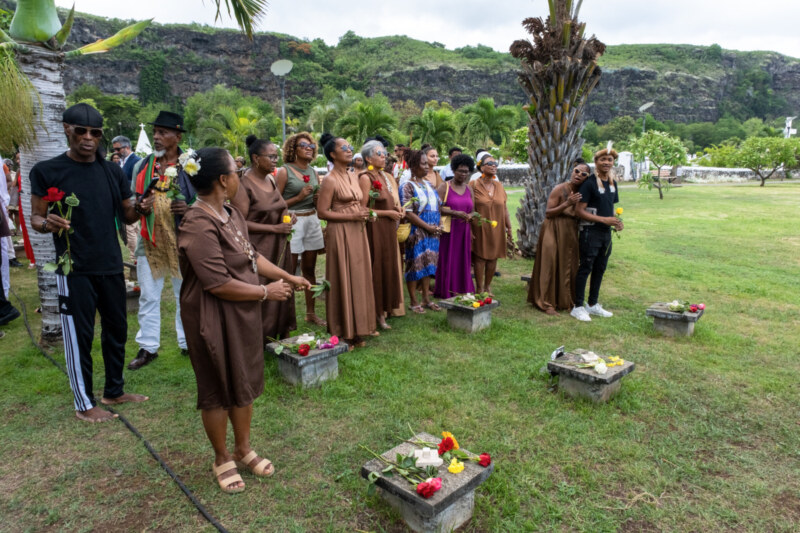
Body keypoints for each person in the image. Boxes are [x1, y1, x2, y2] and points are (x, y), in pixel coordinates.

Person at [178, 147, 310, 494]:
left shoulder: (229, 213)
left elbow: (252, 258)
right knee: (217, 385)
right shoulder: (197, 222)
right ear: (223, 180)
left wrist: (288, 276)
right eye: (236, 170)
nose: (240, 174)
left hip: (241, 309)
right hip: (211, 312)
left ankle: (244, 447)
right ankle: (222, 456)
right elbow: (217, 283)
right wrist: (266, 294)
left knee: (243, 377)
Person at [29, 102, 151, 422]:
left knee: (116, 329)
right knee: (79, 335)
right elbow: (36, 218)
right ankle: (84, 403)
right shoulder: (46, 171)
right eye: (80, 130)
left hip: (111, 263)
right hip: (74, 267)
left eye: (95, 132)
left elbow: (126, 213)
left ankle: (114, 390)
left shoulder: (111, 171)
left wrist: (142, 207)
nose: (87, 137)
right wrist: (48, 223)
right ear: (66, 129)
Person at [128, 111, 195, 369]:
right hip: (151, 239)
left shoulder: (192, 164)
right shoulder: (142, 166)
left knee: (185, 295)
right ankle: (148, 347)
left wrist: (190, 209)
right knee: (148, 296)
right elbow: (135, 204)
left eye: (163, 133)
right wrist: (141, 208)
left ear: (177, 136)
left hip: (183, 240)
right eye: (155, 132)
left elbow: (209, 197)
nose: (156, 137)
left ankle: (188, 342)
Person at [230, 136, 297, 341]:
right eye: (271, 157)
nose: (276, 160)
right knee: (264, 289)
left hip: (280, 244)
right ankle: (259, 336)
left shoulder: (269, 179)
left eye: (277, 156)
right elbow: (239, 222)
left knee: (283, 283)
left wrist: (289, 216)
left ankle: (282, 329)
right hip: (260, 247)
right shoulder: (244, 184)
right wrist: (274, 228)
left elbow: (280, 205)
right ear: (256, 158)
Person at [317, 134, 377, 346]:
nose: (350, 150)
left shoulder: (354, 175)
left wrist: (363, 212)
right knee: (343, 277)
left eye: (350, 147)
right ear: (333, 154)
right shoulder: (330, 179)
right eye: (344, 148)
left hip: (357, 230)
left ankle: (359, 328)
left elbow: (359, 201)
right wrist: (351, 216)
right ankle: (342, 330)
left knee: (359, 276)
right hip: (340, 232)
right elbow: (322, 212)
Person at [275, 132, 326, 327]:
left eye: (311, 146)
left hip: (311, 218)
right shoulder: (284, 171)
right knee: (288, 271)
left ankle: (311, 313)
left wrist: (316, 199)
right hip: (293, 220)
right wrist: (297, 198)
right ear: (293, 149)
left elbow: (317, 197)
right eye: (303, 145)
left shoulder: (313, 172)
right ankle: (286, 316)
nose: (308, 148)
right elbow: (275, 203)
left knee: (309, 269)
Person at [528, 161, 591, 315]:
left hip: (570, 231)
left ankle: (564, 300)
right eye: (577, 171)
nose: (579, 175)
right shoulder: (560, 188)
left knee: (567, 264)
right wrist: (567, 203)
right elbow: (549, 212)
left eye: (584, 174)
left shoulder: (584, 192)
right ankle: (546, 302)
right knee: (549, 262)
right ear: (572, 171)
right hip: (553, 227)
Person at [571, 147, 624, 322]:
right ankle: (577, 306)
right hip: (590, 232)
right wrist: (604, 220)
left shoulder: (612, 183)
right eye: (603, 159)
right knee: (585, 268)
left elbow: (609, 209)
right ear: (596, 162)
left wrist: (616, 222)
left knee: (600, 268)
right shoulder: (589, 183)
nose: (607, 163)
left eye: (610, 160)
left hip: (605, 234)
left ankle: (592, 305)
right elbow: (580, 211)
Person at [357, 139, 403, 330]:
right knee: (377, 267)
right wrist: (387, 213)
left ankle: (386, 308)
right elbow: (362, 208)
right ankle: (376, 313)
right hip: (374, 227)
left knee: (389, 266)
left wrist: (399, 210)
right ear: (368, 157)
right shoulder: (365, 178)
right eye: (379, 154)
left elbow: (392, 200)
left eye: (384, 154)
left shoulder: (384, 176)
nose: (384, 157)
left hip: (388, 229)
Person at [400, 149, 442, 313]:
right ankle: (413, 300)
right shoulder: (407, 186)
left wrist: (437, 227)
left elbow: (438, 206)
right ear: (413, 166)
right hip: (417, 231)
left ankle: (426, 298)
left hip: (432, 232)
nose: (426, 167)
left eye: (426, 163)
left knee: (429, 265)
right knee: (414, 265)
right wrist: (427, 227)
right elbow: (408, 212)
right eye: (423, 163)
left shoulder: (428, 185)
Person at [469, 153, 512, 296]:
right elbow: (469, 208)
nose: (494, 166)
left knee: (494, 256)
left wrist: (509, 227)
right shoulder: (473, 185)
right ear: (481, 167)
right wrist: (469, 229)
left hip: (497, 227)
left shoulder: (499, 186)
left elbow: (504, 208)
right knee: (480, 257)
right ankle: (479, 287)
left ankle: (488, 286)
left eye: (496, 164)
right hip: (480, 226)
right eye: (490, 164)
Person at [434, 154, 475, 299]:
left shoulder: (469, 189)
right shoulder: (444, 186)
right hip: (449, 230)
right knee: (448, 258)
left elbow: (472, 209)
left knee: (463, 260)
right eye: (460, 171)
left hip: (464, 230)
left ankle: (462, 288)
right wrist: (454, 212)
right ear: (453, 170)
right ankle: (446, 289)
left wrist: (472, 216)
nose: (463, 174)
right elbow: (436, 207)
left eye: (466, 171)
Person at [112, 135, 141, 259]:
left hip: (131, 201)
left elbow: (139, 182)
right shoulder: (121, 162)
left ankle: (135, 258)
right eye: (115, 150)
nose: (116, 152)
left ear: (127, 147)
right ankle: (138, 256)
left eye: (118, 149)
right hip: (123, 200)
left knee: (130, 231)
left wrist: (120, 184)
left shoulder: (137, 161)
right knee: (134, 231)